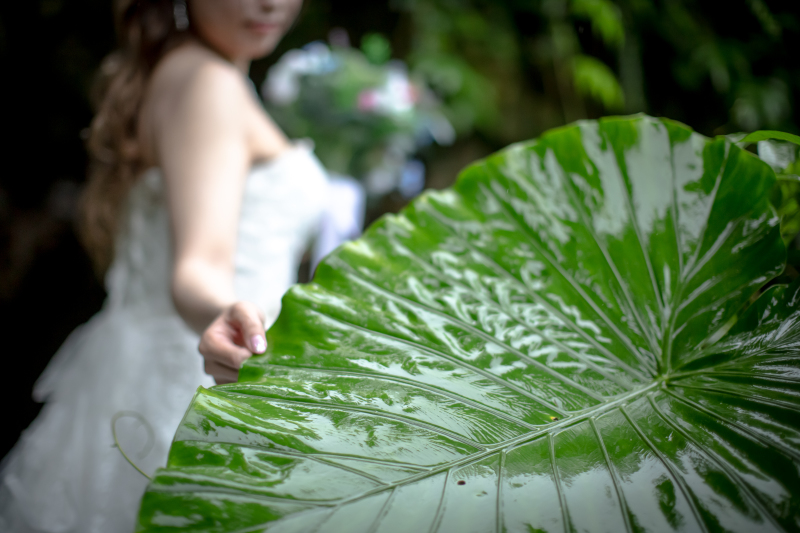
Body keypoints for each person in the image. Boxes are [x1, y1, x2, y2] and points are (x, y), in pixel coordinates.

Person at [0, 0, 324, 531]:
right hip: (197, 381)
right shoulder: (208, 82)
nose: (271, 2)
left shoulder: (188, 69)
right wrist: (223, 314)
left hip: (144, 372)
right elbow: (198, 267)